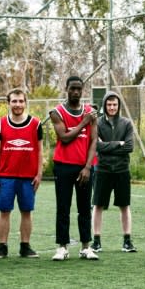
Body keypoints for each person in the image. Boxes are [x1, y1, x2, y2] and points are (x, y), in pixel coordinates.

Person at [0, 89, 43, 259]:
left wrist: (39, 174)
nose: (17, 104)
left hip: (28, 177)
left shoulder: (35, 124)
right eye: (14, 101)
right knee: (4, 211)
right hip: (6, 176)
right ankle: (2, 246)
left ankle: (25, 246)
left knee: (26, 211)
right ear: (8, 103)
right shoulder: (0, 124)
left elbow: (40, 151)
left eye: (20, 101)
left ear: (25, 103)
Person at [49, 76, 98, 261]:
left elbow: (93, 140)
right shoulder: (57, 112)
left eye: (79, 88)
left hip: (84, 167)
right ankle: (62, 247)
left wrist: (87, 167)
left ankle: (86, 246)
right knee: (63, 207)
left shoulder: (90, 112)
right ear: (66, 89)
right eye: (72, 88)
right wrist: (83, 122)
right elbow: (65, 137)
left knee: (84, 208)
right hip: (63, 166)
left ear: (83, 89)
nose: (76, 92)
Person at [91, 91, 137, 253]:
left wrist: (108, 146)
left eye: (114, 104)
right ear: (104, 105)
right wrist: (118, 144)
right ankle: (96, 241)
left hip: (122, 170)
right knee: (98, 205)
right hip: (103, 170)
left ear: (119, 106)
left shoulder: (126, 123)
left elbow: (129, 147)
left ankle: (127, 241)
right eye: (109, 104)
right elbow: (96, 146)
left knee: (124, 206)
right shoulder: (97, 123)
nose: (112, 107)